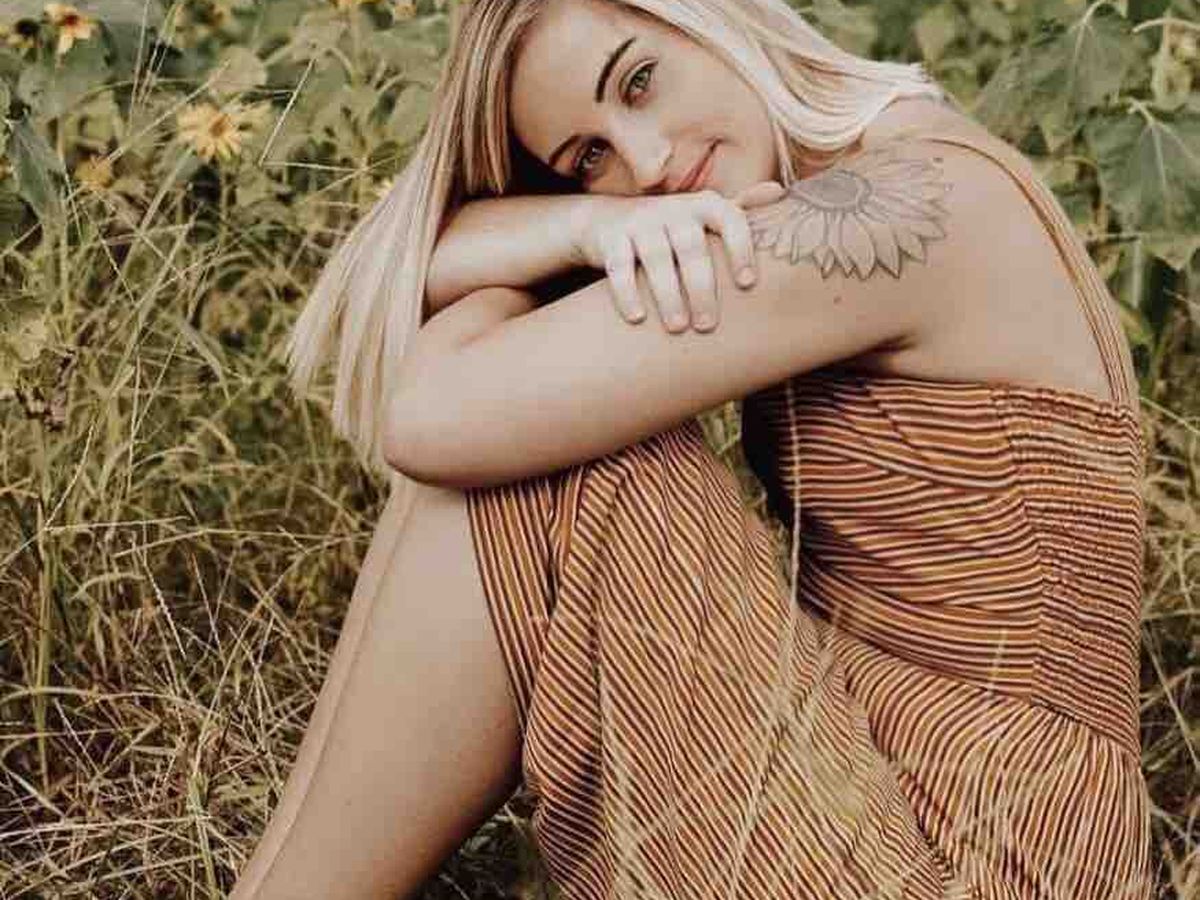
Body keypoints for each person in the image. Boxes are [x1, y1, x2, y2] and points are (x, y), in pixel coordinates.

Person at [231, 0, 1155, 897]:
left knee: (567, 465)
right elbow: (433, 276)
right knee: (525, 429)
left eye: (639, 81)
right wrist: (585, 225)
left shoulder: (906, 206)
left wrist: (570, 240)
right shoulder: (875, 167)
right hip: (889, 774)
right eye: (588, 158)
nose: (646, 163)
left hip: (992, 855)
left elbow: (433, 411)